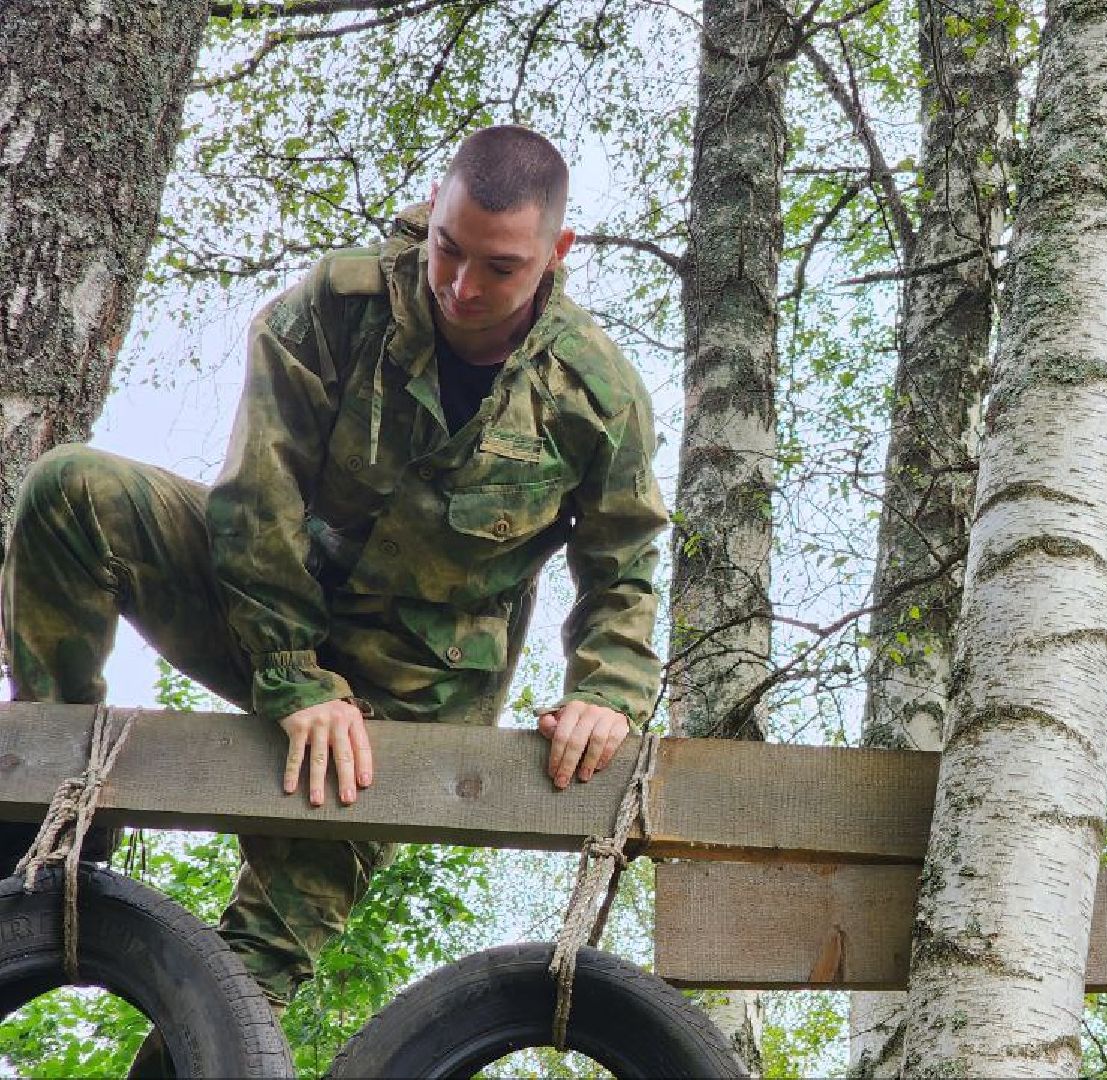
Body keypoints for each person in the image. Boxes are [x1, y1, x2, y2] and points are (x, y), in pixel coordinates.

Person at [1, 125, 669, 1039]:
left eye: (500, 268)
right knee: (72, 490)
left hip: (406, 703)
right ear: (432, 210)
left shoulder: (596, 395)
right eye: (446, 249)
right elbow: (255, 495)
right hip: (269, 610)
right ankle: (52, 818)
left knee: (242, 988)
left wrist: (607, 691)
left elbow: (624, 565)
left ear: (556, 254)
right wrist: (292, 674)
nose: (461, 288)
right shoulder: (338, 303)